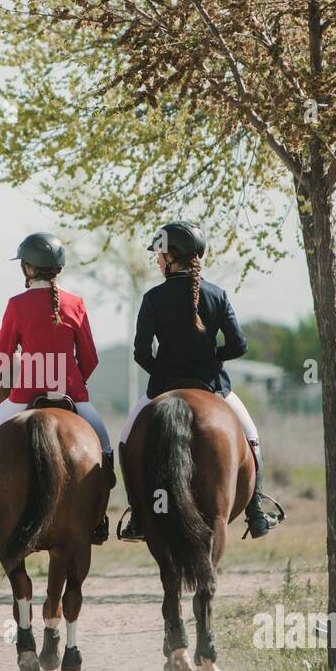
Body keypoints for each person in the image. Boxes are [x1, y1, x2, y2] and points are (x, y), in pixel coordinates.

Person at [117, 220, 280, 540]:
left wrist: (164, 371)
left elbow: (140, 352)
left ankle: (138, 515)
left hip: (163, 387)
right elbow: (239, 345)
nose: (157, 261)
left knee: (125, 441)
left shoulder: (153, 298)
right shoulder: (217, 294)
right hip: (214, 387)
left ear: (171, 256)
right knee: (252, 438)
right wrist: (210, 360)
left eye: (159, 255)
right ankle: (256, 511)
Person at [0, 232, 113, 544]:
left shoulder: (16, 304)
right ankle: (98, 517)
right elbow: (90, 359)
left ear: (28, 268)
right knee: (106, 450)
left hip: (24, 397)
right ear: (58, 268)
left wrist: (4, 338)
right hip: (74, 396)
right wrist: (72, 383)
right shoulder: (76, 303)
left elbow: (0, 361)